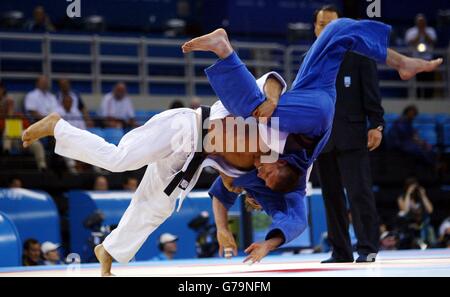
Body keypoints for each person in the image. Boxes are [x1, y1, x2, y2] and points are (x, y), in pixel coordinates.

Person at [183, 18, 440, 263]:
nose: (260, 174)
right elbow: (297, 221)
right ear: (281, 170)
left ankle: (402, 62)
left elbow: (221, 191)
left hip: (309, 91)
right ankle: (224, 50)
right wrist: (269, 244)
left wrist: (223, 222)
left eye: (253, 193)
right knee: (254, 109)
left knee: (338, 30)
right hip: (314, 118)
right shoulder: (293, 187)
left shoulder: (253, 176)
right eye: (264, 182)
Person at [21, 72, 298, 275]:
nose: (262, 178)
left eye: (258, 197)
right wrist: (272, 100)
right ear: (279, 168)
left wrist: (229, 211)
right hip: (185, 128)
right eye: (263, 190)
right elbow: (272, 80)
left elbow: (224, 179)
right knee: (120, 160)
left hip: (190, 161)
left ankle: (107, 252)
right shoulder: (269, 133)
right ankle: (58, 126)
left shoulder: (248, 171)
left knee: (157, 207)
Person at [306, 5, 384, 264]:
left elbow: (372, 94)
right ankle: (341, 250)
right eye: (321, 24)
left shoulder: (360, 55)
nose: (325, 28)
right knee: (331, 197)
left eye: (331, 24)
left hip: (352, 135)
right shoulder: (311, 59)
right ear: (314, 27)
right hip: (323, 138)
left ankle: (367, 247)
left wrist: (376, 125)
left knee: (359, 192)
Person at [1, 81, 48, 171]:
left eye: (10, 104)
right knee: (8, 130)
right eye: (6, 104)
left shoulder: (19, 115)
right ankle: (6, 151)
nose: (9, 105)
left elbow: (28, 128)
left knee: (36, 143)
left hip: (22, 139)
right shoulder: (2, 117)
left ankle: (42, 166)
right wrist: (9, 116)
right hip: (12, 141)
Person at [405, 14, 438, 98]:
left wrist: (424, 32)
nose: (421, 23)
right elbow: (411, 42)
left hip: (428, 60)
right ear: (416, 22)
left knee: (429, 81)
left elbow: (432, 41)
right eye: (419, 22)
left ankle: (429, 98)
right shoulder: (411, 31)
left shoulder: (430, 30)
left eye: (422, 22)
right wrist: (419, 33)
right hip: (416, 61)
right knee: (417, 82)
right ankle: (417, 97)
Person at [397, 177, 434, 248]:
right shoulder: (401, 197)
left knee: (427, 224)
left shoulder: (420, 197)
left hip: (422, 224)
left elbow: (430, 210)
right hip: (408, 224)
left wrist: (423, 195)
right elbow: (405, 211)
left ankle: (425, 244)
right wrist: (408, 193)